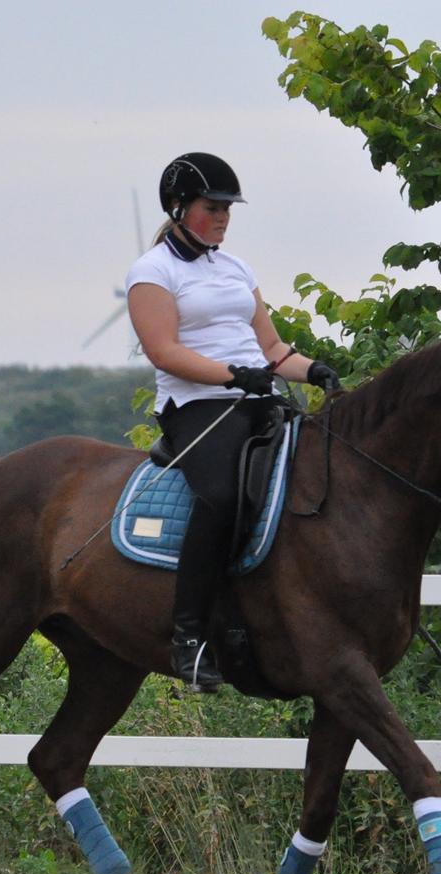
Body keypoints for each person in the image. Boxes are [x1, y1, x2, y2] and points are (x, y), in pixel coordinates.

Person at [125, 152, 340, 691]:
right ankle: (190, 638)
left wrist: (313, 369)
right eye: (211, 207)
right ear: (179, 208)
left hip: (253, 396)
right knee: (221, 495)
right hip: (195, 407)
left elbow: (270, 349)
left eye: (227, 209)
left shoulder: (236, 268)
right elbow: (163, 350)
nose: (222, 217)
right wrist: (230, 375)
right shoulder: (153, 272)